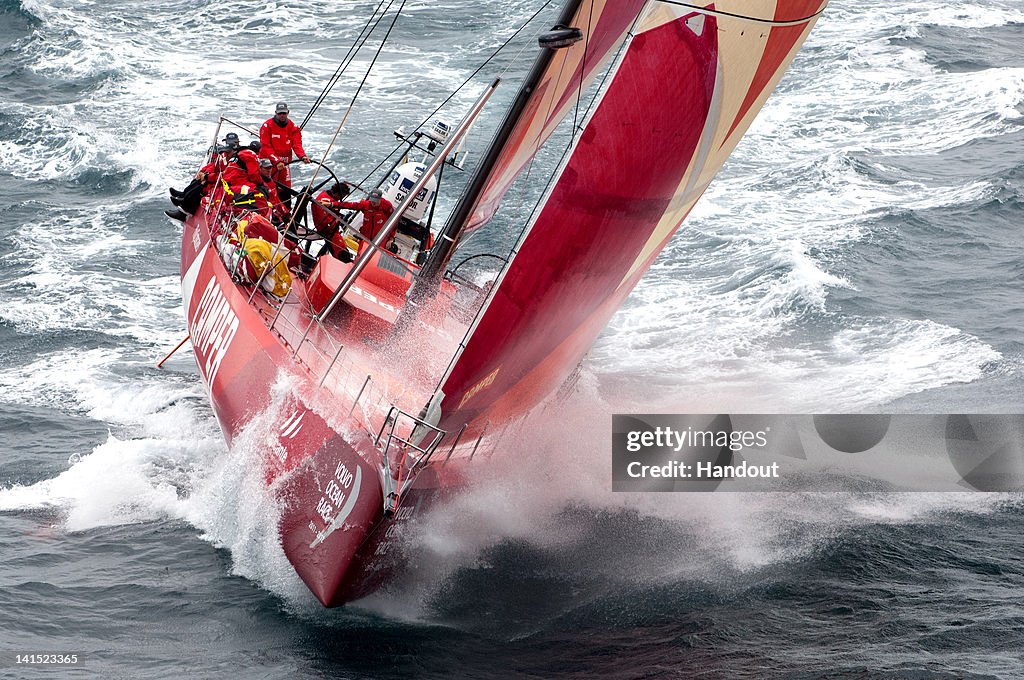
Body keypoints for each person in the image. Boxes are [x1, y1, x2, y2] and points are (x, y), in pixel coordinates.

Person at [259, 102, 310, 195]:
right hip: (269, 163)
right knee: (268, 188)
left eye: (284, 113)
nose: (282, 115)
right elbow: (265, 145)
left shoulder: (293, 127)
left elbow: (297, 144)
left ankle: (286, 207)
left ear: (288, 112)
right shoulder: (267, 126)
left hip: (284, 164)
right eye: (279, 113)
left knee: (285, 189)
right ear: (276, 113)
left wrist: (302, 156)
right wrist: (277, 161)